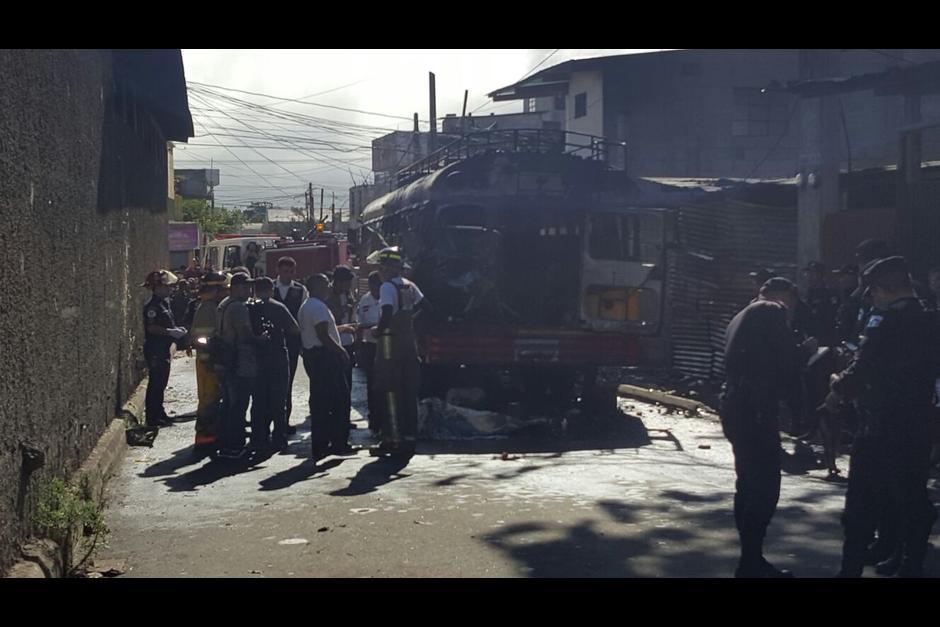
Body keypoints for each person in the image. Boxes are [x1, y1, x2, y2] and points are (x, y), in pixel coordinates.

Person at [825, 257, 939, 577]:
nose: (871, 297)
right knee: (910, 499)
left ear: (884, 289)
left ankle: (849, 571)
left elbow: (861, 371)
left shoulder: (885, 323)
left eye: (873, 291)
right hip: (917, 428)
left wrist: (837, 386)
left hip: (879, 428)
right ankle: (910, 564)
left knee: (861, 506)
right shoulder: (932, 322)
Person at [720, 277, 810, 577]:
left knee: (746, 482)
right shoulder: (771, 311)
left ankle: (749, 557)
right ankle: (751, 560)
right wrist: (805, 351)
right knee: (765, 486)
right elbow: (784, 362)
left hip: (734, 404)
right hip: (756, 408)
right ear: (786, 297)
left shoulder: (740, 315)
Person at [368, 247, 429, 457]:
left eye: (381, 266)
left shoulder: (386, 287)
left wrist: (380, 330)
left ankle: (391, 438)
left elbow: (385, 312)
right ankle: (409, 437)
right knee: (409, 391)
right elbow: (426, 308)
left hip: (390, 346)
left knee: (389, 390)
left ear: (387, 267)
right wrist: (410, 323)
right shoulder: (410, 286)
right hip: (408, 343)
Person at [298, 274, 352, 461]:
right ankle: (338, 443)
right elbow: (323, 334)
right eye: (326, 284)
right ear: (318, 287)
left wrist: (341, 329)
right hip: (325, 358)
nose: (329, 287)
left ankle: (322, 444)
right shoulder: (318, 306)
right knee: (338, 401)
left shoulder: (306, 306)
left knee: (321, 402)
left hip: (314, 356)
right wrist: (340, 351)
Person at [215, 273, 265, 458]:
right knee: (238, 405)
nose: (248, 290)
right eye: (245, 287)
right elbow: (245, 334)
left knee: (228, 404)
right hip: (239, 361)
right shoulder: (238, 307)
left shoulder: (223, 304)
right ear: (235, 287)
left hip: (225, 359)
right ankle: (235, 446)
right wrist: (261, 339)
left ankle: (225, 443)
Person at [248, 277, 300, 451]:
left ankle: (258, 437)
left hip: (257, 358)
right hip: (277, 356)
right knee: (279, 400)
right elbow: (294, 328)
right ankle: (279, 437)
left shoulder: (248, 307)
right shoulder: (278, 307)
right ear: (271, 289)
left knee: (259, 400)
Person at [189, 271, 229, 455]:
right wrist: (214, 354)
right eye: (223, 288)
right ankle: (205, 440)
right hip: (208, 363)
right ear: (216, 289)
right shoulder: (208, 309)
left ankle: (212, 436)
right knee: (208, 400)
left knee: (213, 400)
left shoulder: (212, 306)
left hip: (210, 361)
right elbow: (201, 338)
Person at [142, 270, 188, 428]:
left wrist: (177, 329)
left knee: (162, 382)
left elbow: (168, 323)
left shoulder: (164, 304)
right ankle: (153, 417)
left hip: (163, 348)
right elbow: (152, 327)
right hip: (155, 348)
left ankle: (160, 413)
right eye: (167, 287)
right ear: (157, 287)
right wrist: (169, 332)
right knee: (156, 382)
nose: (170, 290)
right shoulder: (152, 306)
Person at [272, 256, 308, 433]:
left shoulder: (301, 290)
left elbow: (303, 318)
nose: (288, 275)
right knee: (269, 384)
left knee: (287, 383)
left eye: (291, 271)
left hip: (292, 344)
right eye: (285, 271)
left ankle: (283, 423)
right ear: (278, 270)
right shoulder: (268, 288)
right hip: (269, 344)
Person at [326, 265, 359, 429]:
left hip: (349, 341)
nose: (348, 287)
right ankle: (335, 418)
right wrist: (342, 310)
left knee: (348, 384)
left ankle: (345, 417)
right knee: (336, 385)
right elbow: (329, 318)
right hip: (335, 343)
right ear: (338, 282)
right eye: (346, 283)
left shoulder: (349, 295)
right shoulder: (328, 296)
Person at [356, 272, 383, 433]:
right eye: (373, 285)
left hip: (387, 345)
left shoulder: (388, 297)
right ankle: (374, 417)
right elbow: (359, 323)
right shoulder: (364, 300)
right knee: (372, 384)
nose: (375, 289)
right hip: (370, 346)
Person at [801, 261, 840, 348]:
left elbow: (831, 319)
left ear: (821, 275)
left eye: (813, 273)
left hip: (825, 340)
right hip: (809, 339)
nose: (809, 277)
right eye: (807, 273)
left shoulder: (829, 295)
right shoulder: (806, 295)